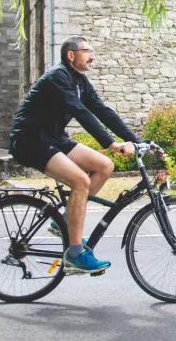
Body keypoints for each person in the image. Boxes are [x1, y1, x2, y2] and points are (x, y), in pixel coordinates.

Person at [9, 36, 138, 274]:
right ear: (71, 55)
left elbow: (102, 110)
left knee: (104, 166)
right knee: (81, 180)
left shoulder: (80, 81)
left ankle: (65, 222)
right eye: (87, 51)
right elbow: (79, 112)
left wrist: (137, 141)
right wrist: (110, 142)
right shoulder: (58, 76)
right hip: (30, 140)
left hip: (54, 138)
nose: (93, 56)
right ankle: (75, 254)